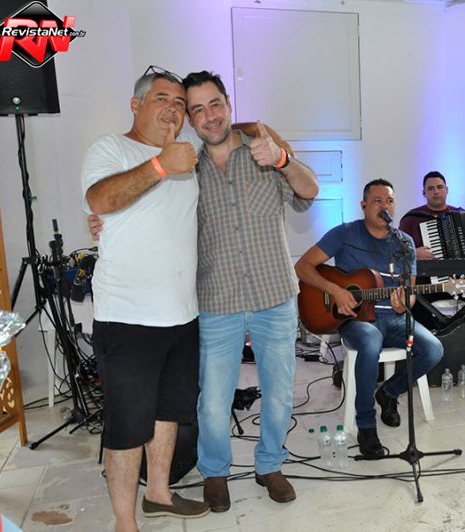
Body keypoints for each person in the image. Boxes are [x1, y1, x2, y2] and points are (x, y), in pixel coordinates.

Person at [182, 71, 318, 509]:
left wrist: (282, 159)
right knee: (212, 400)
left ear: (228, 103)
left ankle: (270, 465)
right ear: (190, 119)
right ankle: (215, 472)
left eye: (214, 104)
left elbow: (309, 191)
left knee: (278, 393)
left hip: (273, 296)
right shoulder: (186, 170)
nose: (209, 116)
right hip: (217, 300)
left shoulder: (264, 150)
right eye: (198, 110)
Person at [82, 67, 209, 532]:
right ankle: (124, 521)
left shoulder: (188, 151)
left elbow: (225, 131)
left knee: (169, 413)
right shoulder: (111, 148)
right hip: (128, 317)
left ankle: (158, 494)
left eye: (179, 103)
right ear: (136, 105)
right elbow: (99, 199)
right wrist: (159, 166)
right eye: (162, 99)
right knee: (127, 424)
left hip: (182, 314)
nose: (173, 109)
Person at [295, 179, 443, 458]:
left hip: (394, 319)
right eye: (377, 201)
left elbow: (410, 293)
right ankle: (366, 425)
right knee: (371, 340)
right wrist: (336, 291)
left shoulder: (405, 242)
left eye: (389, 201)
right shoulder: (345, 233)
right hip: (357, 319)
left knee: (434, 349)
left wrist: (404, 303)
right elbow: (302, 267)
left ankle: (389, 392)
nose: (384, 206)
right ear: (363, 206)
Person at [398, 171, 465, 328]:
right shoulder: (411, 219)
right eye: (430, 188)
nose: (436, 191)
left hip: (462, 281)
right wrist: (414, 253)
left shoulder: (462, 214)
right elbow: (397, 253)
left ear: (447, 190)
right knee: (415, 295)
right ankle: (428, 335)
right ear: (424, 193)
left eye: (439, 187)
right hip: (429, 283)